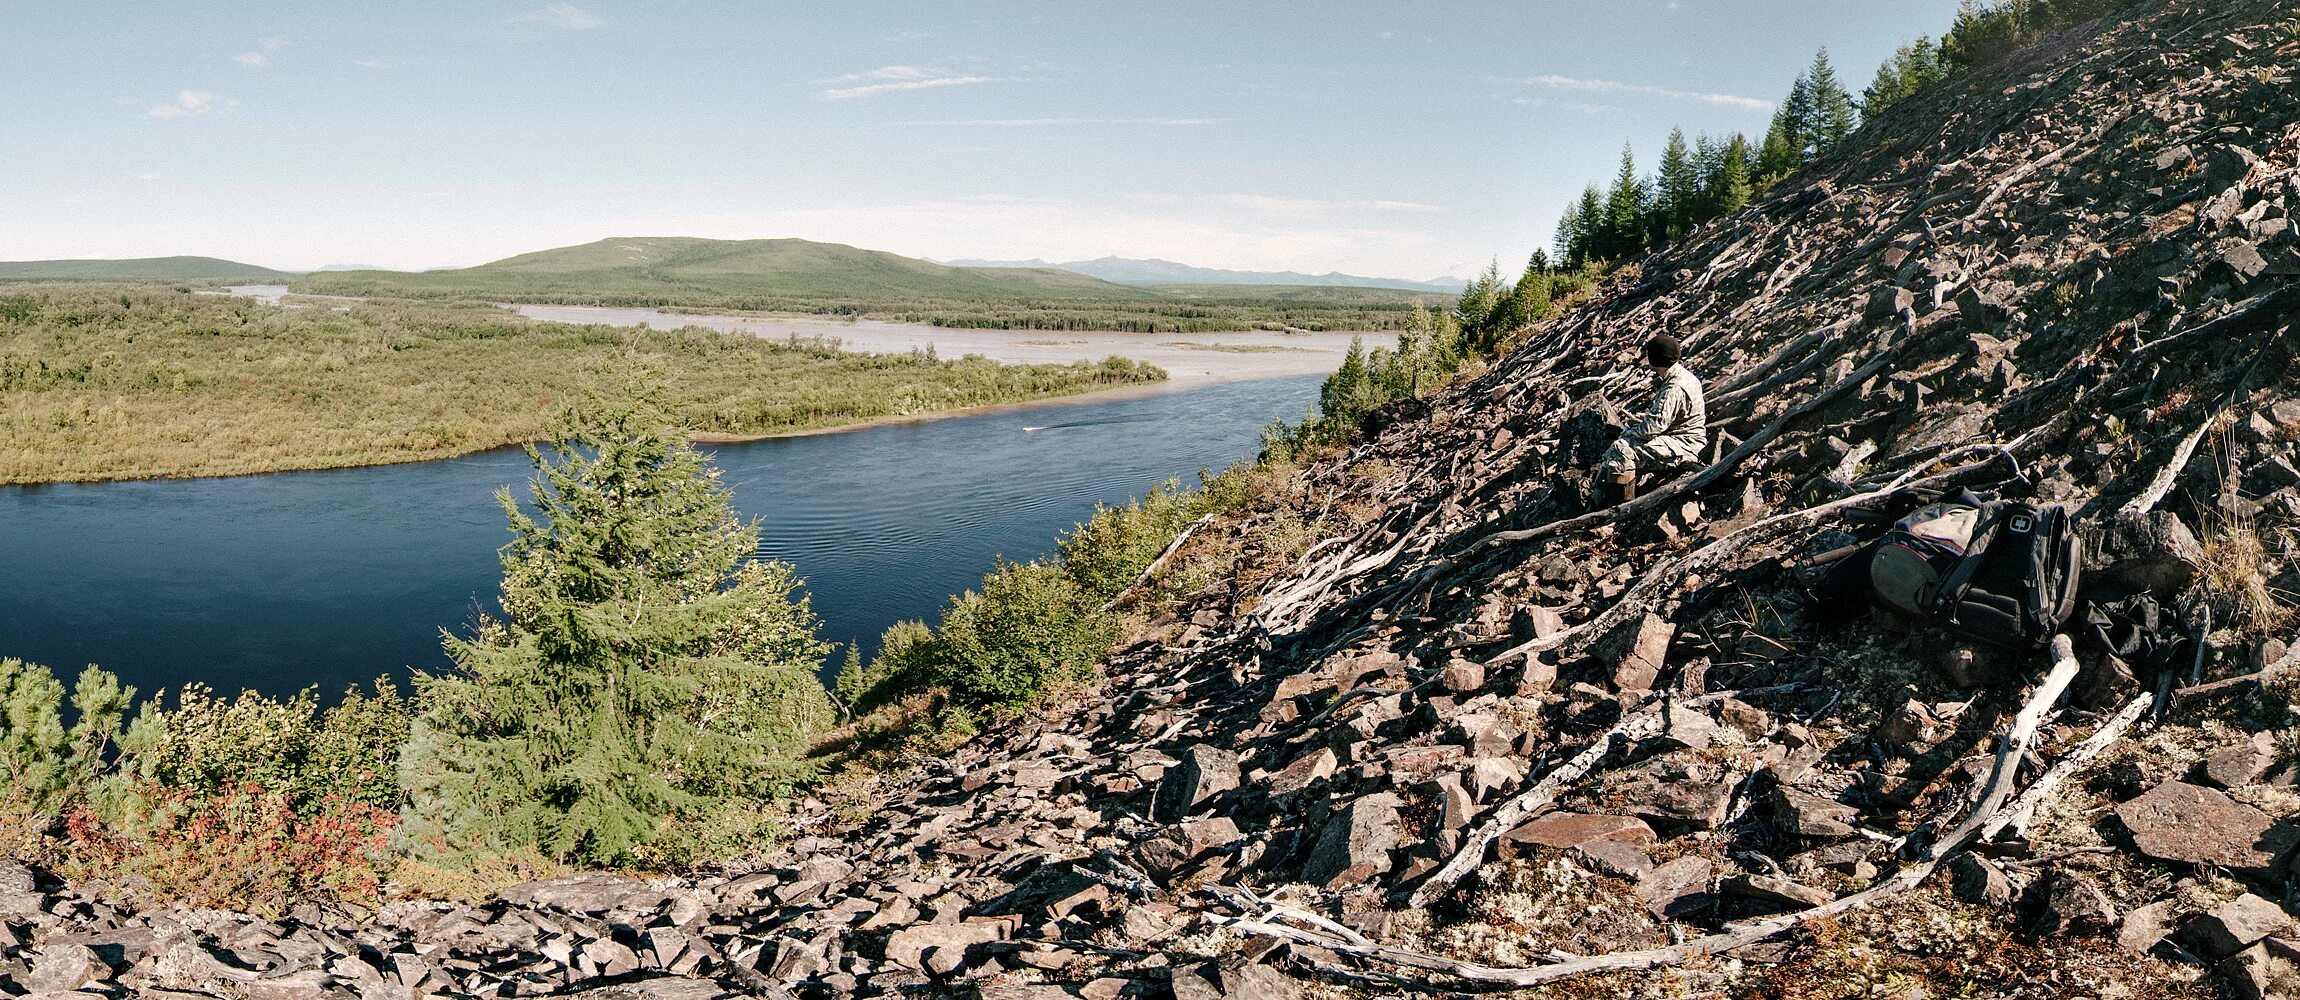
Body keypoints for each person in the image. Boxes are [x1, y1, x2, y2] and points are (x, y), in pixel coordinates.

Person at [1599, 334, 1706, 504]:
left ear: (1656, 358)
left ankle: (1620, 507)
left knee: (1621, 449)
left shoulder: (1674, 387)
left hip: (1685, 444)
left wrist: (1628, 433)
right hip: (1685, 438)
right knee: (1623, 442)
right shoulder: (1685, 377)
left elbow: (1655, 426)